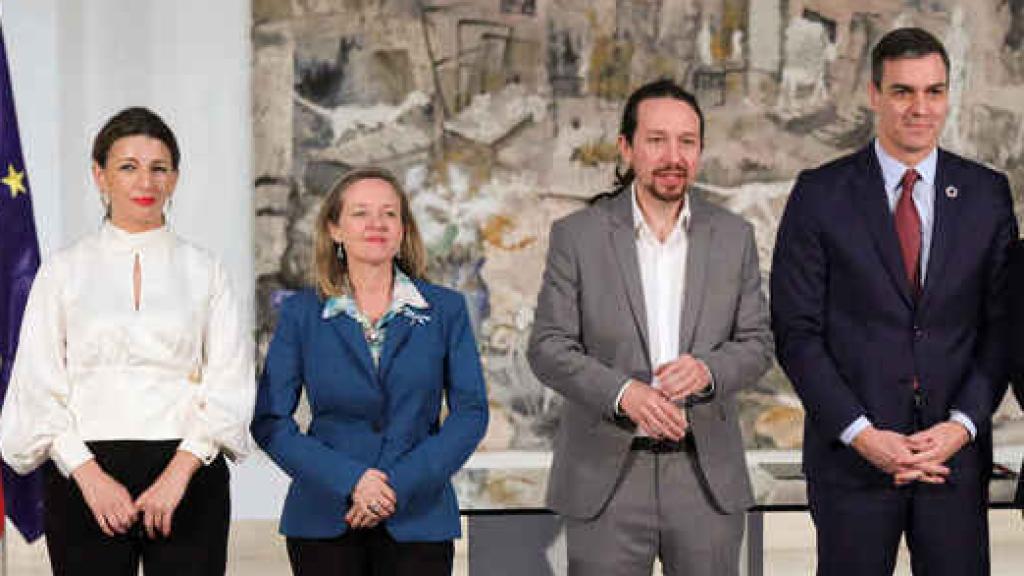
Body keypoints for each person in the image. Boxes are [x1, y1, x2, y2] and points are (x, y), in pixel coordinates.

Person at [771, 27, 1017, 575]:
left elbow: (1001, 329)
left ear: (948, 96)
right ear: (874, 95)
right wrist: (862, 433)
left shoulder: (987, 194)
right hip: (853, 464)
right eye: (903, 91)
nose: (920, 108)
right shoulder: (819, 194)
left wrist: (961, 426)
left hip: (952, 464)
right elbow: (797, 332)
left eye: (934, 91)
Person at [527, 79, 772, 576]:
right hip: (607, 476)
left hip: (704, 479)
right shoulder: (577, 236)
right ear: (627, 147)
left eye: (687, 141)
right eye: (657, 140)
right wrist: (624, 394)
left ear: (700, 150)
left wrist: (708, 370)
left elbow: (757, 344)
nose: (673, 155)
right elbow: (548, 346)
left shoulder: (734, 237)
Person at [0, 106, 254, 575]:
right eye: (128, 167)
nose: (146, 182)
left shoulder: (206, 270)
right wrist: (88, 475)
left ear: (175, 178)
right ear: (100, 175)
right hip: (84, 472)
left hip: (188, 473)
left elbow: (230, 383)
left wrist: (178, 475)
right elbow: (36, 382)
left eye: (159, 168)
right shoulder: (63, 269)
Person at [251, 166, 488, 576]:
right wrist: (352, 480)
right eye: (360, 213)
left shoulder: (447, 309)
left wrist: (397, 485)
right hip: (325, 519)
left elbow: (470, 414)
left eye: (389, 214)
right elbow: (270, 420)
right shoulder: (300, 313)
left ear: (402, 230)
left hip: (419, 520)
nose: (376, 224)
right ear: (335, 229)